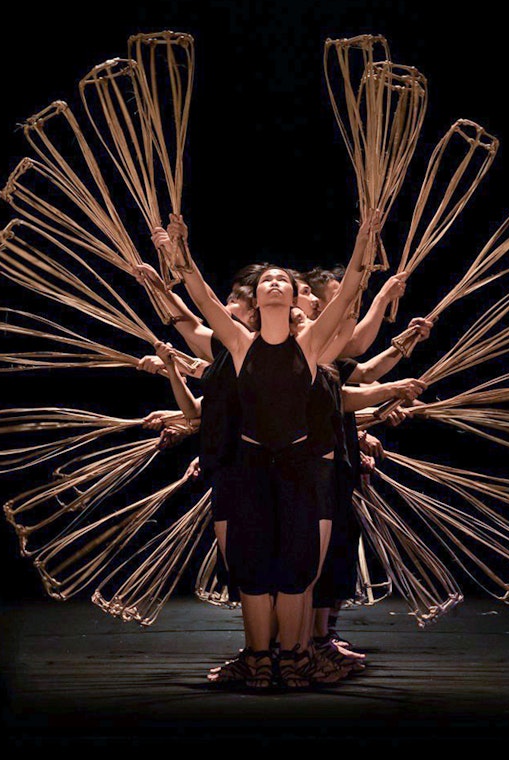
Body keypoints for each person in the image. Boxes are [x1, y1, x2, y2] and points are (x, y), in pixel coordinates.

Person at [153, 210, 379, 688]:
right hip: (251, 466)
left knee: (298, 567)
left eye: (283, 281)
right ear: (255, 298)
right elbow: (202, 299)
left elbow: (347, 302)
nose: (275, 284)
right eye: (267, 281)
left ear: (295, 296)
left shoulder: (312, 345)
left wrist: (364, 241)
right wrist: (182, 254)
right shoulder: (238, 344)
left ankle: (294, 657)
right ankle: (259, 658)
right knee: (251, 567)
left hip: (299, 465)